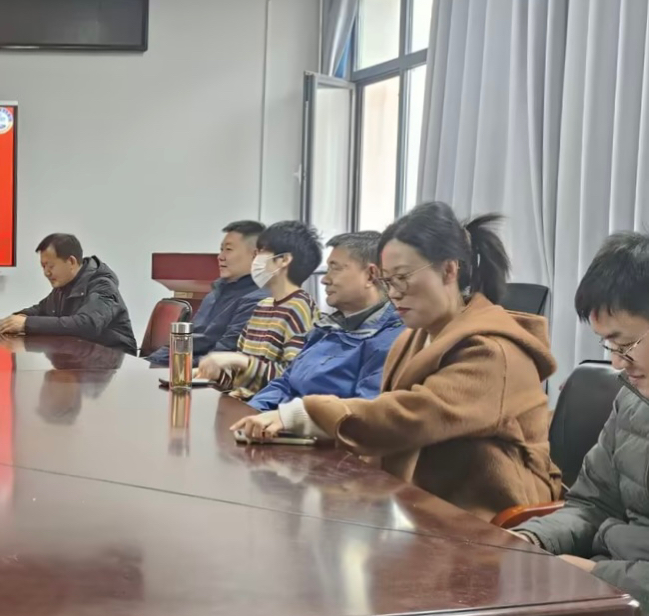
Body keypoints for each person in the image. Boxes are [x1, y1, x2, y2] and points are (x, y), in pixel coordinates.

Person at [379, 231, 649, 616]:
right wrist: (531, 541)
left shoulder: (490, 349)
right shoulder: (634, 400)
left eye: (625, 343)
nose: (616, 362)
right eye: (608, 344)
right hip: (602, 594)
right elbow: (593, 504)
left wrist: (596, 577)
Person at [235, 202, 562, 521]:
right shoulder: (414, 336)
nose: (393, 293)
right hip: (421, 504)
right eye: (388, 281)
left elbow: (413, 416)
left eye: (403, 277)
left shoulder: (494, 350)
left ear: (449, 270)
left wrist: (303, 413)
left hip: (491, 517)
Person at [246, 231, 403, 414]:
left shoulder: (391, 341)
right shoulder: (326, 328)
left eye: (335, 268)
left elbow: (360, 416)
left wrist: (286, 420)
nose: (324, 279)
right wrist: (251, 412)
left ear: (370, 275)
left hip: (309, 429)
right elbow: (285, 382)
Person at [196, 220, 320, 399]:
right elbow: (242, 377)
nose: (255, 259)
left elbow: (292, 377)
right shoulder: (263, 306)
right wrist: (213, 374)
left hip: (265, 408)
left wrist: (240, 361)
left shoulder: (299, 307)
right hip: (239, 401)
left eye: (262, 252)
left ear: (283, 260)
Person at [146, 220, 268, 367]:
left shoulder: (257, 300)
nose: (220, 256)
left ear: (255, 255)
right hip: (179, 368)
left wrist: (175, 367)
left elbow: (223, 357)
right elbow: (186, 341)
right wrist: (153, 361)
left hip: (202, 375)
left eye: (228, 249)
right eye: (221, 249)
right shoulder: (217, 292)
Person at [0, 233, 137, 355]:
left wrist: (26, 324)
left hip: (114, 363)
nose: (46, 273)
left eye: (50, 266)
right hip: (80, 358)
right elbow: (41, 309)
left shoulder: (102, 286)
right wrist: (19, 317)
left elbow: (87, 325)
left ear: (71, 262)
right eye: (43, 267)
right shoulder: (65, 285)